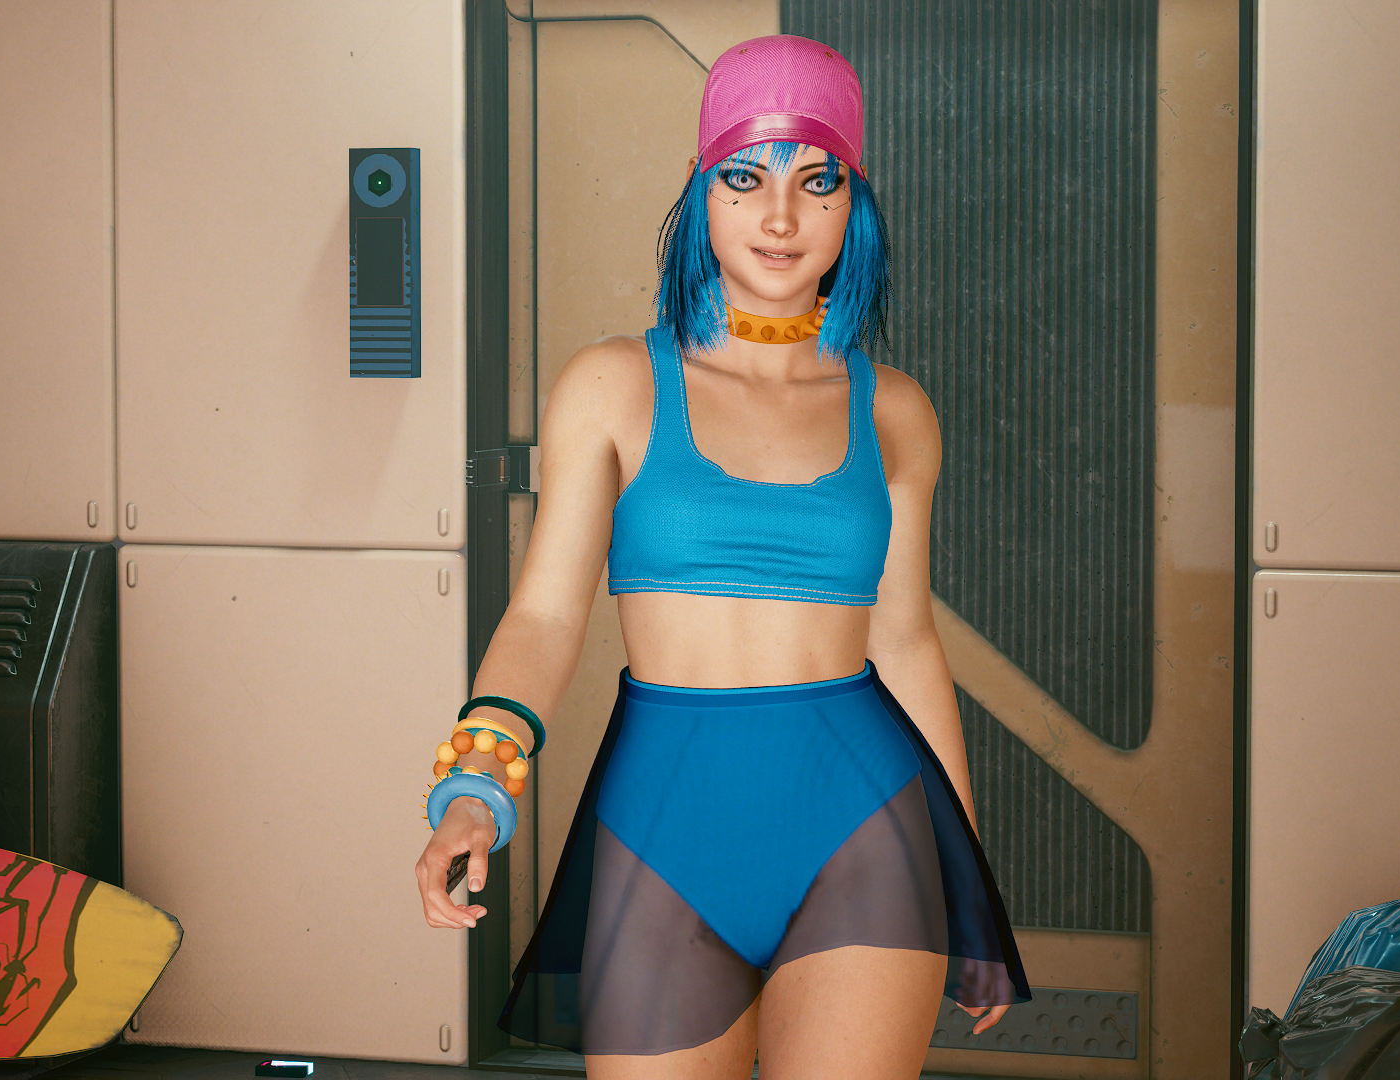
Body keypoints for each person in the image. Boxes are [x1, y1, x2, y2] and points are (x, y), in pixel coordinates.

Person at [414, 34, 1028, 1080]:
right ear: (700, 189)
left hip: (866, 829)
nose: (781, 217)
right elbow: (545, 618)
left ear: (855, 201)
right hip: (663, 833)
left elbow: (907, 643)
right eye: (746, 177)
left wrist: (968, 885)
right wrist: (477, 781)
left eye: (817, 180)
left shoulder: (896, 411)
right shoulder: (611, 386)